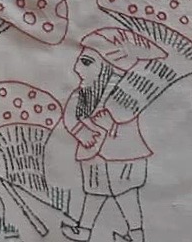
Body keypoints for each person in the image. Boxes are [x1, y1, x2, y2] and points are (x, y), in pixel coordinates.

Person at [60, 27, 166, 242]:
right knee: (94, 193)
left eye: (86, 62)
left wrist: (113, 125)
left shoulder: (126, 97)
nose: (77, 67)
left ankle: (136, 234)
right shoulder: (82, 94)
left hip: (123, 156)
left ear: (111, 67)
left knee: (126, 194)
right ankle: (85, 230)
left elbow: (127, 118)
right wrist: (81, 133)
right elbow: (70, 116)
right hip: (93, 155)